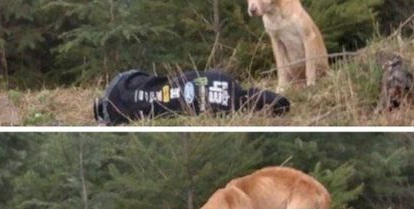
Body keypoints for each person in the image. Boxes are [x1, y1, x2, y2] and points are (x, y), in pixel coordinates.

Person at [93, 68, 290, 125]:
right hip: (216, 81)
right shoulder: (122, 85)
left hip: (214, 87)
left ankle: (275, 102)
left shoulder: (120, 100)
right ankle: (276, 102)